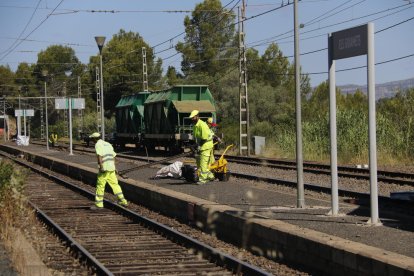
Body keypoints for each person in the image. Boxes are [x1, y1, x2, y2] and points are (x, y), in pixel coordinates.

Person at [89, 132, 128, 209]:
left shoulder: (98, 145)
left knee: (100, 186)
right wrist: (115, 168)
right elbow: (113, 156)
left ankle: (99, 204)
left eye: (92, 139)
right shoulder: (108, 144)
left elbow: (99, 156)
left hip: (104, 169)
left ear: (94, 139)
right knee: (115, 185)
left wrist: (101, 166)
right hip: (111, 168)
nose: (92, 140)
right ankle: (123, 201)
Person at [189, 110, 215, 184]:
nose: (192, 119)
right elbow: (195, 137)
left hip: (206, 145)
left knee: (203, 164)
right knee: (199, 164)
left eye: (193, 117)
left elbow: (204, 138)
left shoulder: (202, 125)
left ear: (197, 116)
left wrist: (199, 146)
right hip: (201, 145)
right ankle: (210, 176)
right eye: (191, 118)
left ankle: (203, 180)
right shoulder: (195, 125)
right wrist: (193, 146)